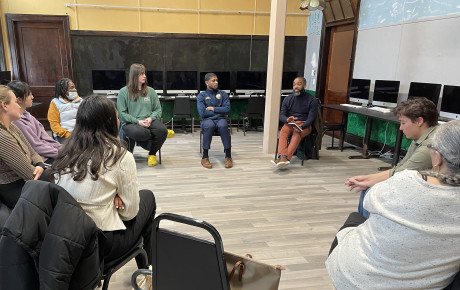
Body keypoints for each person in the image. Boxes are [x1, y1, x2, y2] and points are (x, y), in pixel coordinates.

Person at [326, 120, 460, 289]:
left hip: (356, 279)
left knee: (357, 218)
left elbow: (369, 201)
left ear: (438, 158)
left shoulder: (407, 182)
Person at [51, 94, 156, 265]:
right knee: (148, 198)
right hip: (101, 244)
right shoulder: (120, 156)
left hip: (67, 240)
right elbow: (130, 213)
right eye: (117, 116)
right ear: (110, 121)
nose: (119, 120)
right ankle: (148, 270)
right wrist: (114, 202)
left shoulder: (65, 152)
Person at [346, 97, 439, 218]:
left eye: (403, 123)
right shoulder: (420, 136)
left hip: (427, 193)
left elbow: (403, 172)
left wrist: (368, 181)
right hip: (415, 184)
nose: (400, 128)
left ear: (419, 121)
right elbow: (400, 168)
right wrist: (366, 179)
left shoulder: (431, 143)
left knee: (371, 191)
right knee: (369, 189)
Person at [0, 85, 47, 209]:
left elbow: (33, 152)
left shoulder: (12, 127)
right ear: (4, 105)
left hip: (26, 180)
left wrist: (40, 165)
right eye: (15, 102)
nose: (18, 106)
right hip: (14, 188)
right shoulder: (2, 136)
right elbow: (28, 173)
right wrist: (39, 167)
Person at [117, 63, 170, 167]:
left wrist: (150, 118)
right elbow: (122, 114)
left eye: (144, 73)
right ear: (134, 75)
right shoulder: (123, 92)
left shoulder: (151, 91)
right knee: (140, 132)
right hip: (131, 123)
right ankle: (144, 139)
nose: (145, 76)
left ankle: (152, 154)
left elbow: (158, 110)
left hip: (148, 121)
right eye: (141, 74)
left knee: (162, 130)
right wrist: (138, 122)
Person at [8, 80, 61, 164]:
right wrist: (61, 153)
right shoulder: (16, 121)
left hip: (48, 152)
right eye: (29, 94)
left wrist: (63, 148)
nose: (32, 97)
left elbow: (46, 138)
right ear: (19, 99)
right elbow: (36, 146)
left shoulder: (28, 115)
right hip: (40, 159)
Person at [271, 77, 318, 169]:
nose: (296, 86)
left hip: (305, 125)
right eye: (294, 84)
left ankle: (284, 158)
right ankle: (282, 157)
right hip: (291, 123)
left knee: (297, 132)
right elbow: (282, 115)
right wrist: (287, 120)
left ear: (304, 85)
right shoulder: (288, 99)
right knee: (283, 131)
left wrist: (301, 126)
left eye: (299, 84)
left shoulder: (312, 100)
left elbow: (311, 119)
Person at [197, 73, 232, 169]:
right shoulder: (201, 96)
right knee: (209, 125)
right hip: (207, 120)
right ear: (207, 83)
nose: (216, 82)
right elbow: (203, 113)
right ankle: (205, 157)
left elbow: (228, 109)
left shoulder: (223, 94)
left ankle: (228, 156)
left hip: (220, 120)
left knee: (223, 125)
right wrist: (221, 113)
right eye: (213, 81)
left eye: (217, 80)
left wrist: (212, 108)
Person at [47, 78, 82, 143]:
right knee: (73, 148)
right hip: (63, 135)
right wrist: (67, 134)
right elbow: (54, 124)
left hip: (80, 133)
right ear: (63, 90)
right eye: (72, 88)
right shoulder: (55, 103)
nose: (75, 90)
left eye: (74, 87)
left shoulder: (80, 101)